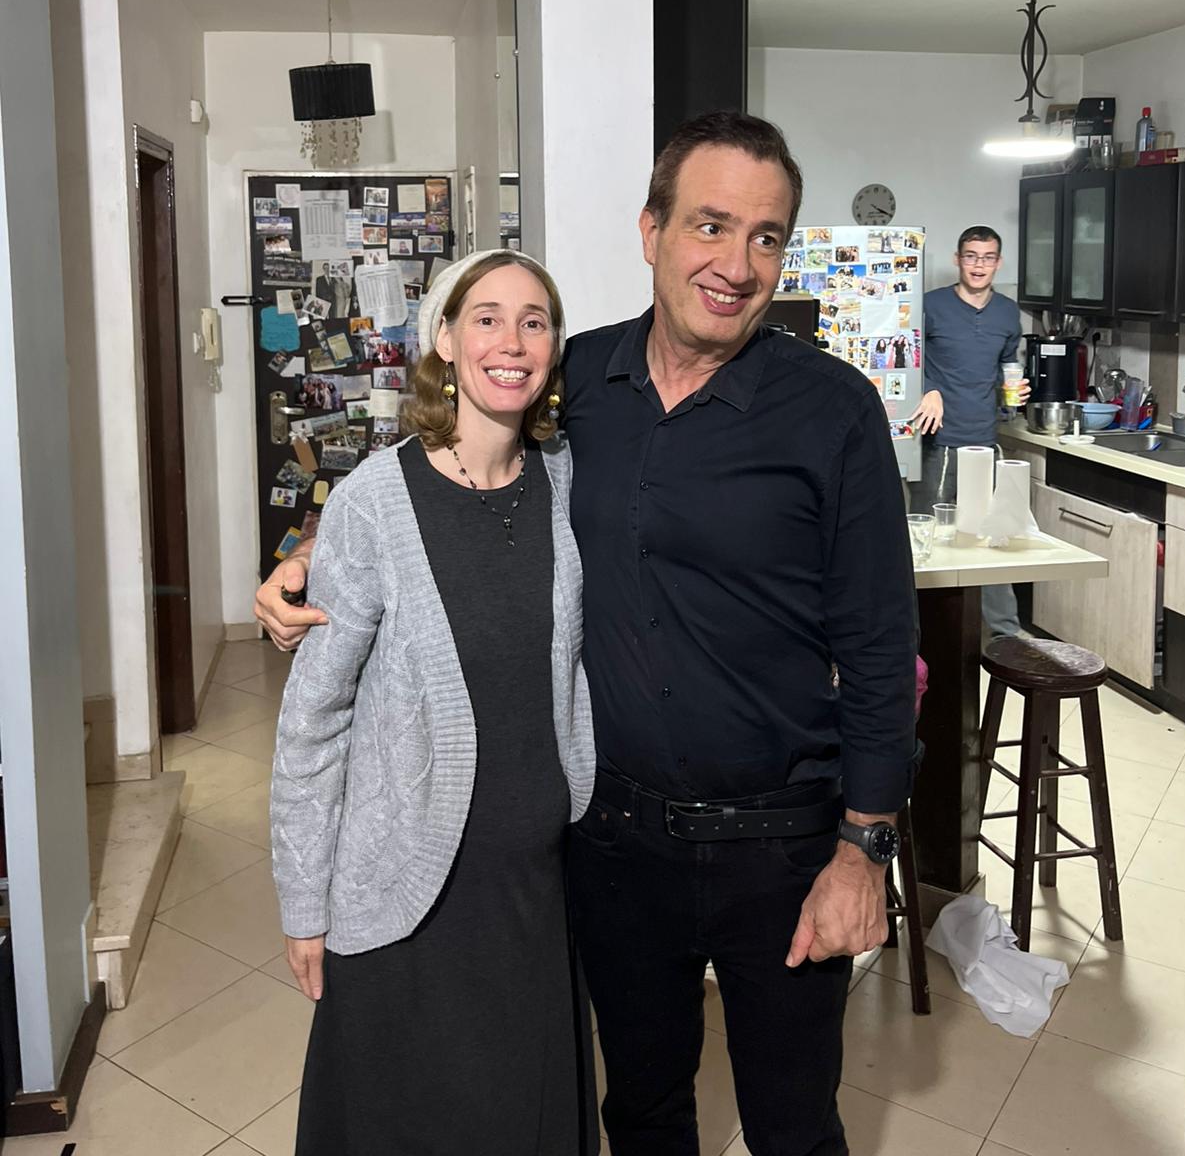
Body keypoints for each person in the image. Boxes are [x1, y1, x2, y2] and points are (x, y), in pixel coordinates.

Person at [259, 113, 917, 1156]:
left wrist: (864, 848)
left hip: (782, 847)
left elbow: (881, 643)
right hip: (616, 845)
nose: (736, 265)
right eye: (710, 225)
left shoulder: (833, 410)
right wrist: (309, 552)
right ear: (651, 230)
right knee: (642, 1111)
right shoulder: (581, 388)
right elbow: (448, 468)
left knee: (795, 1127)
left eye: (766, 237)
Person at [270, 249, 597, 1156]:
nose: (512, 342)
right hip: (408, 889)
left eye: (535, 321)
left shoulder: (568, 478)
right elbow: (314, 719)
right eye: (486, 318)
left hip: (535, 891)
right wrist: (304, 902)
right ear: (445, 341)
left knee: (522, 1119)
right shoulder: (375, 502)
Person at [910, 224, 1030, 638]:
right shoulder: (930, 305)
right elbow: (908, 360)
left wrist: (1015, 391)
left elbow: (1005, 366)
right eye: (971, 256)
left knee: (995, 539)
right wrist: (929, 389)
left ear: (998, 262)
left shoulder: (1007, 312)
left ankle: (1006, 636)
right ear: (957, 260)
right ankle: (920, 637)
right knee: (928, 542)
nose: (979, 265)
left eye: (988, 257)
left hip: (986, 441)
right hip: (939, 442)